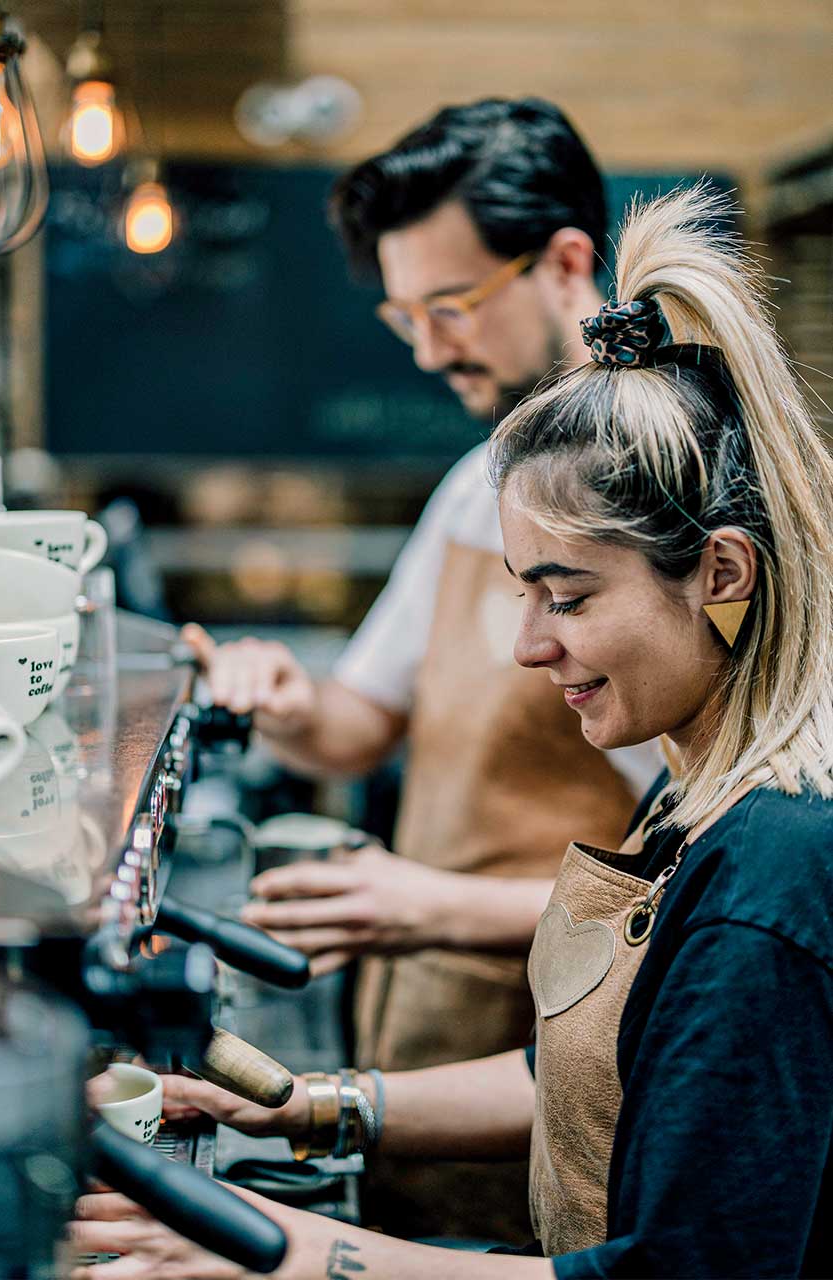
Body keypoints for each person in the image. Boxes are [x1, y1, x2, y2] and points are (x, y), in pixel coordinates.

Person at [73, 183, 833, 1278]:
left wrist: (295, 1251)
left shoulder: (770, 878)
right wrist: (311, 1103)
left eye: (566, 597)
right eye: (523, 592)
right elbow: (587, 1075)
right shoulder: (694, 789)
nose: (527, 645)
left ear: (722, 571)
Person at [184, 98, 656, 1241]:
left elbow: (703, 893)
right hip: (428, 1046)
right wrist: (285, 697)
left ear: (566, 262)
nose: (429, 347)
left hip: (566, 1071)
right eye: (406, 316)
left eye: (450, 306)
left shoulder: (656, 508)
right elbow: (356, 727)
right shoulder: (477, 478)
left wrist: (429, 904)